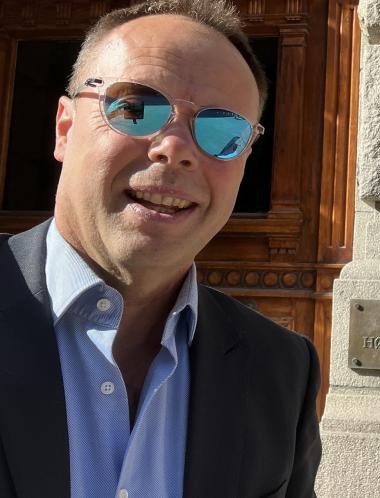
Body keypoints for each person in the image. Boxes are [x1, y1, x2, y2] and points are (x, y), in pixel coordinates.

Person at [0, 1, 321, 497]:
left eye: (222, 130)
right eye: (135, 108)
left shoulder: (281, 370)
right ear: (65, 128)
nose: (175, 149)